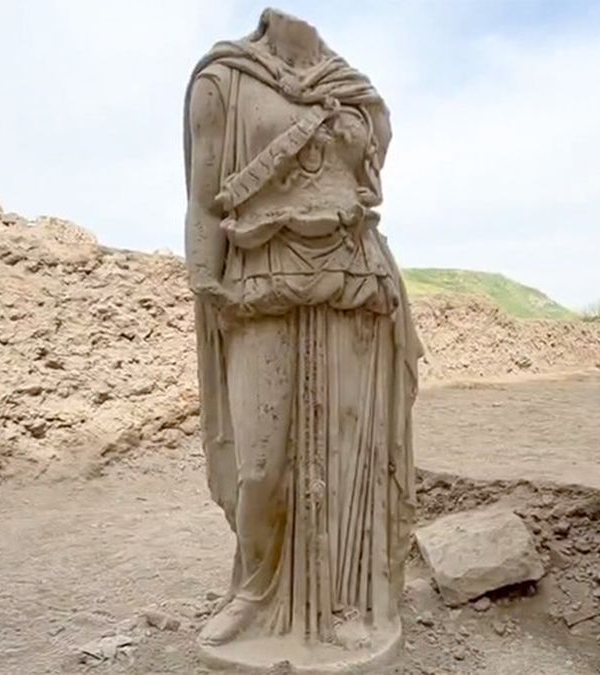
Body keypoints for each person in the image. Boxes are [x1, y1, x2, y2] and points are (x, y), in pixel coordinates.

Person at [183, 8, 423, 650]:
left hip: (353, 280)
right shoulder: (224, 78)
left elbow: (366, 185)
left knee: (349, 455)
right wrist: (205, 280)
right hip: (259, 277)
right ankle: (254, 591)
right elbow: (205, 197)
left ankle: (349, 603)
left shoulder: (354, 89)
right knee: (261, 462)